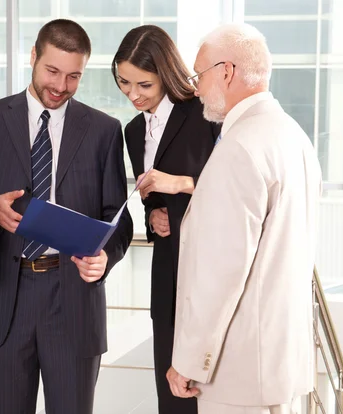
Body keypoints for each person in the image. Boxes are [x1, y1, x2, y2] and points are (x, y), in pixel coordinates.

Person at [0, 19, 133, 414]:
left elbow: (119, 218)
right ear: (33, 58)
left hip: (73, 298)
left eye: (74, 76)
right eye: (52, 71)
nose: (60, 86)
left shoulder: (105, 131)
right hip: (6, 294)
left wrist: (107, 256)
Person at [166, 23, 322, 414]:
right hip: (282, 362)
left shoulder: (239, 147)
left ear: (227, 71)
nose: (196, 88)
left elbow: (219, 273)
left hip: (237, 369)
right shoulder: (294, 136)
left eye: (198, 76)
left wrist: (187, 360)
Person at [111, 25, 219, 414]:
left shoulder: (205, 112)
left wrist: (177, 184)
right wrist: (153, 212)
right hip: (167, 268)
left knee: (208, 388)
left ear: (167, 74)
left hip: (208, 268)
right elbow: (150, 196)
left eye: (145, 85)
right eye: (124, 83)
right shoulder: (134, 129)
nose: (133, 95)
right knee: (170, 392)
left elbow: (235, 186)